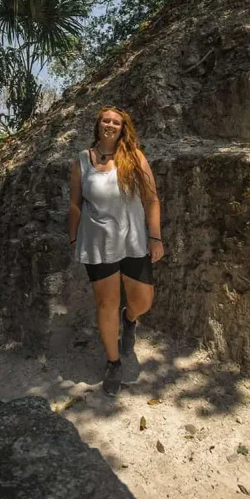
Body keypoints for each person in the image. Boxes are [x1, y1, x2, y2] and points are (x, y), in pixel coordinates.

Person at [68, 106, 164, 396]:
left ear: (123, 128)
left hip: (133, 240)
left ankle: (130, 320)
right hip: (98, 243)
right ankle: (113, 362)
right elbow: (75, 204)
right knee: (106, 304)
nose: (110, 125)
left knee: (143, 300)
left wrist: (156, 238)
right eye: (105, 120)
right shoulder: (82, 161)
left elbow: (151, 199)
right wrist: (73, 238)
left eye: (116, 122)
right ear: (98, 125)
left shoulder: (134, 157)